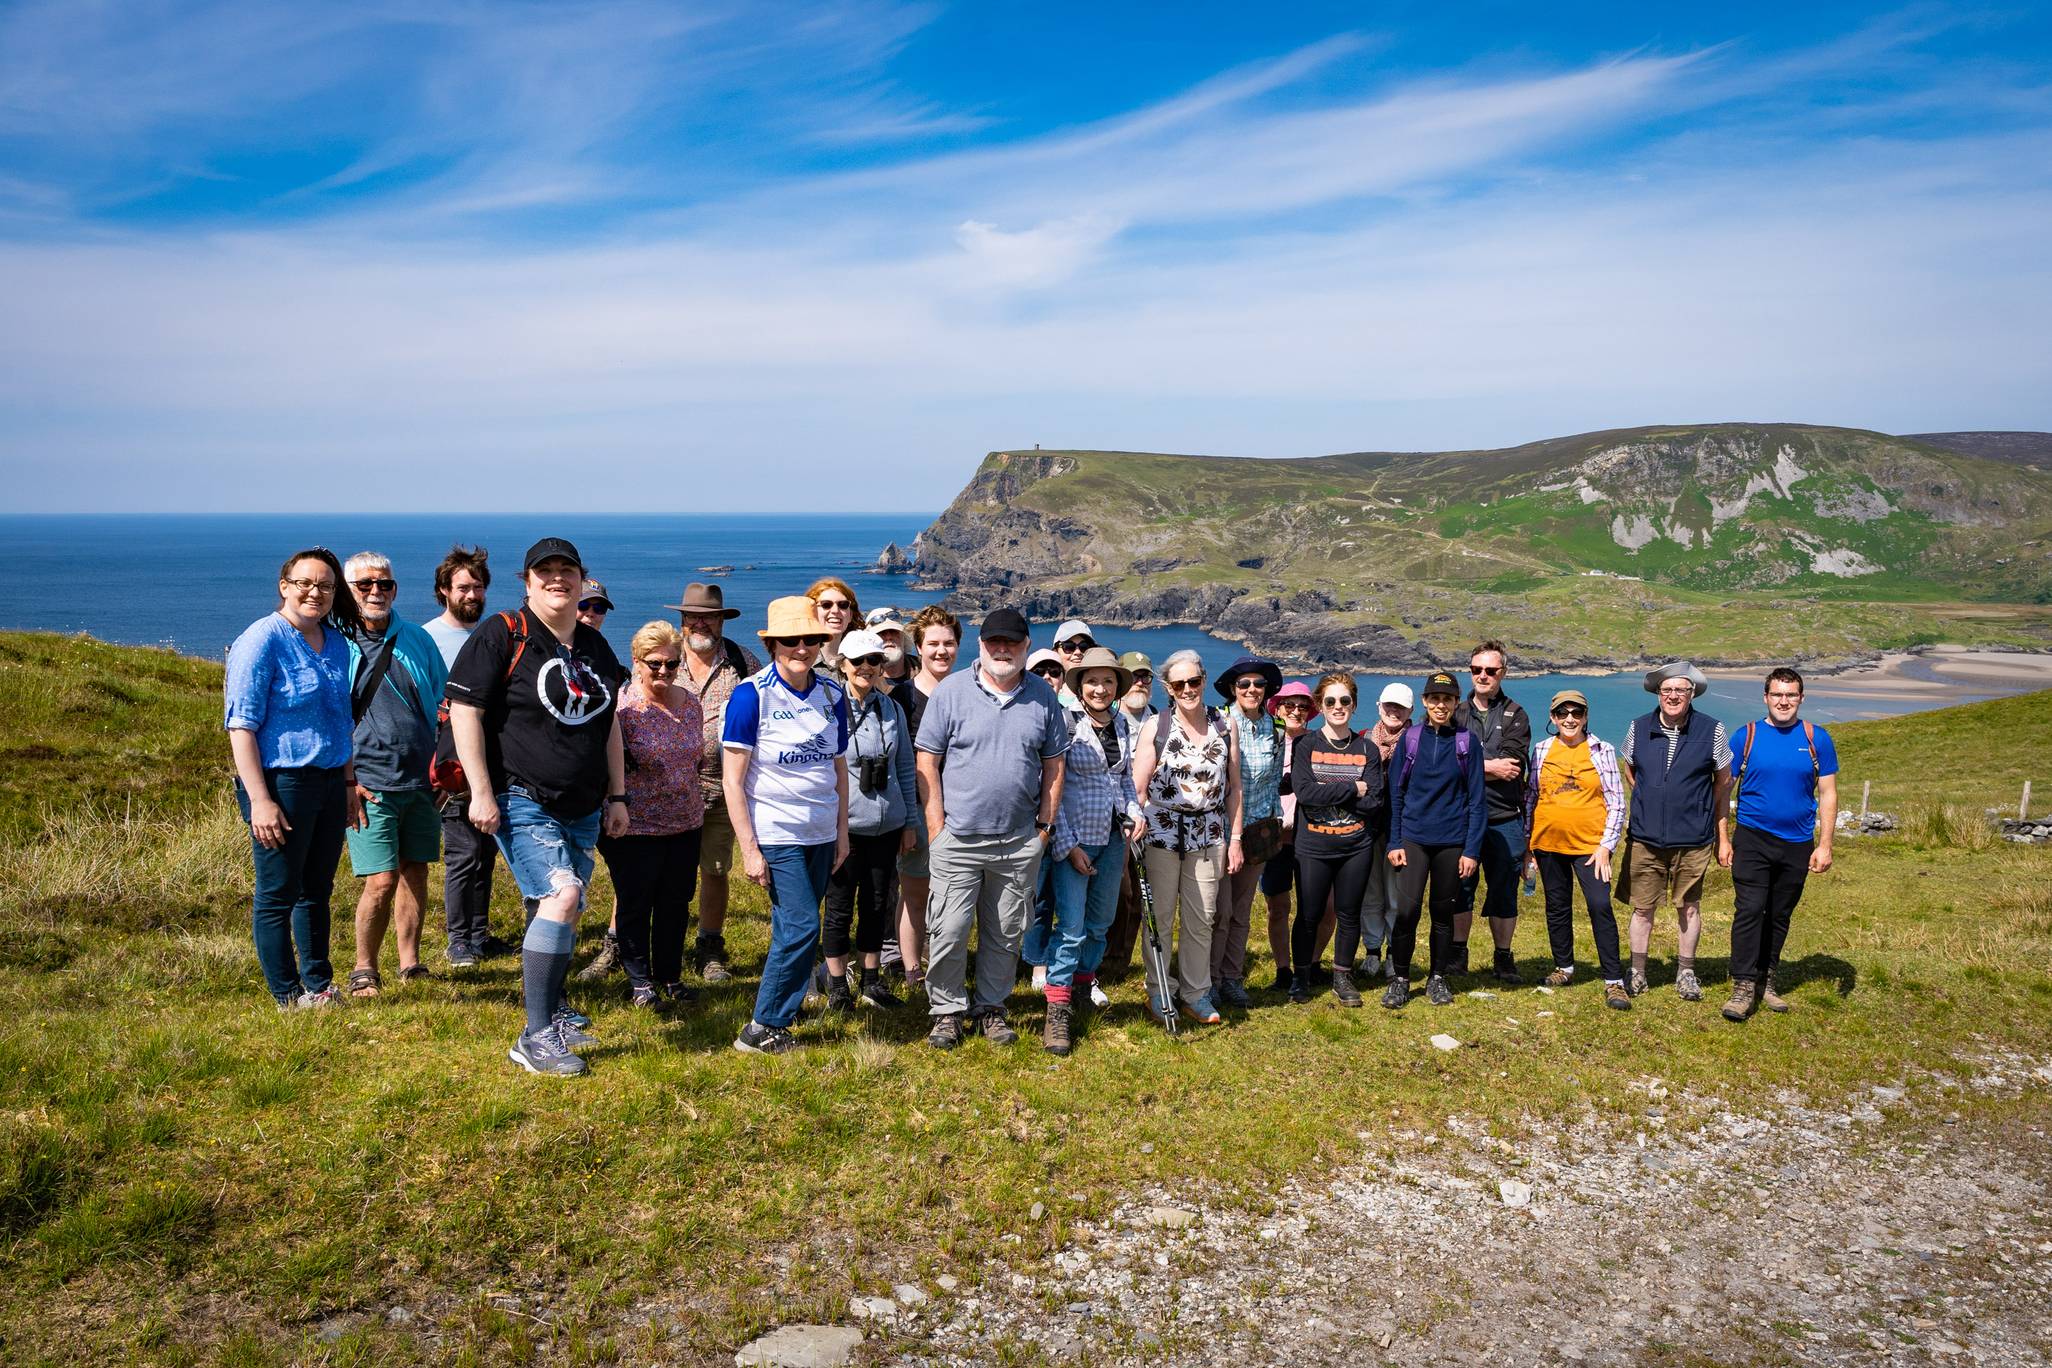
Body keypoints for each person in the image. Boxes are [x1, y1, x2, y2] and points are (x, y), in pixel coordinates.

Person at [446, 537, 629, 1077]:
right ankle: (535, 1036)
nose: (556, 579)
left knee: (550, 905)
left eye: (566, 571)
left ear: (581, 579)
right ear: (527, 583)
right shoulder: (504, 633)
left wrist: (617, 795)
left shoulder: (594, 647)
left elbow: (609, 724)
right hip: (522, 795)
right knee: (562, 894)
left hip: (584, 803)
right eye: (544, 571)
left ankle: (553, 1007)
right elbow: (465, 711)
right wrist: (481, 791)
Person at [915, 607, 1068, 1050]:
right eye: (994, 642)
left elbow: (1054, 764)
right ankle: (946, 1011)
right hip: (958, 839)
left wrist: (1044, 828)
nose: (1003, 650)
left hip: (1019, 839)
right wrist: (936, 827)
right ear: (981, 645)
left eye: (1012, 643)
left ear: (1025, 646)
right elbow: (928, 760)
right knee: (948, 929)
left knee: (1005, 931)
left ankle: (992, 1008)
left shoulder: (1042, 696)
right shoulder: (951, 693)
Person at [225, 548, 364, 1009]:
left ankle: (319, 986)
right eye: (304, 583)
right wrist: (260, 800)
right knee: (278, 892)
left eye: (325, 586)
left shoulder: (337, 643)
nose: (315, 593)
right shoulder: (262, 639)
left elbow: (341, 721)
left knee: (316, 891)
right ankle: (287, 995)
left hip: (328, 782)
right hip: (280, 783)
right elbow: (241, 725)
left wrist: (348, 785)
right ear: (284, 586)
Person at [722, 597, 851, 1054]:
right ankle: (762, 1026)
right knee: (801, 927)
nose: (802, 647)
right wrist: (750, 849)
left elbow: (838, 770)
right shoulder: (751, 695)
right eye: (791, 640)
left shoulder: (833, 695)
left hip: (821, 831)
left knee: (794, 926)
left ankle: (784, 1008)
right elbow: (733, 780)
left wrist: (842, 832)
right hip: (777, 832)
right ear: (773, 642)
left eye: (811, 639)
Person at [339, 551, 448, 997]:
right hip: (368, 783)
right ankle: (364, 967)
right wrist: (346, 780)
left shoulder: (417, 639)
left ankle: (410, 963)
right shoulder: (333, 641)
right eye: (364, 585)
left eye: (384, 584)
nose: (375, 592)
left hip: (421, 781)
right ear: (348, 591)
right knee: (380, 880)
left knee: (414, 872)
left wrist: (443, 770)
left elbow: (447, 704)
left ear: (395, 589)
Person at [596, 621, 706, 1008]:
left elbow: (697, 760)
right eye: (654, 663)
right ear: (636, 662)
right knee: (636, 903)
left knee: (676, 902)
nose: (663, 671)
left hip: (686, 821)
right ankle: (639, 980)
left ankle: (671, 976)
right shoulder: (624, 709)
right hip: (637, 824)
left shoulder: (691, 704)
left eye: (672, 664)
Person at [1131, 650, 1244, 1026]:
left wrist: (1237, 838)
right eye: (1179, 684)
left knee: (1202, 918)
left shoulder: (1225, 725)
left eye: (1194, 681)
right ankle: (1160, 991)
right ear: (1168, 688)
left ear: (1203, 679)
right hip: (1161, 834)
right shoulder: (1156, 726)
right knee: (1159, 918)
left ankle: (1197, 994)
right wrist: (1135, 825)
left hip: (1209, 835)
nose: (1188, 689)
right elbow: (1138, 787)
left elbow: (1234, 788)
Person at [658, 582, 762, 986]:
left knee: (715, 869)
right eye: (692, 616)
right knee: (653, 871)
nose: (700, 623)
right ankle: (621, 943)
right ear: (681, 621)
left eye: (709, 616)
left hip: (721, 789)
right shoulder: (664, 659)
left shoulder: (742, 662)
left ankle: (709, 945)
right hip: (664, 790)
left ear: (721, 620)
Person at [1722, 668, 1838, 1021]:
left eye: (1790, 695)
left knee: (1779, 914)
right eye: (1777, 694)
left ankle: (1765, 980)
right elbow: (1723, 790)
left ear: (1801, 698)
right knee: (1750, 909)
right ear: (1765, 698)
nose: (1783, 701)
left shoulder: (1817, 738)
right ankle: (1742, 986)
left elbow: (1828, 793)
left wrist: (1826, 844)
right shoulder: (1747, 736)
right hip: (1753, 838)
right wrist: (1723, 838)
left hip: (1798, 842)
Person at [1044, 647, 1143, 1054]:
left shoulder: (1119, 725)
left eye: (1107, 681)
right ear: (1079, 686)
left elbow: (1122, 781)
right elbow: (1052, 788)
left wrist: (1135, 811)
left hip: (1112, 839)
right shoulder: (1067, 725)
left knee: (1099, 924)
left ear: (1116, 687)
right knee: (1070, 928)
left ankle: (1083, 986)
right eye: (1091, 681)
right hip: (1075, 840)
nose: (1099, 688)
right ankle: (1057, 1010)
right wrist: (1067, 847)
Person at [1620, 662, 1733, 1001]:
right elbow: (1631, 772)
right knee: (1642, 908)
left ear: (1691, 694)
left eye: (1680, 691)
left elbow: (1723, 781)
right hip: (1645, 838)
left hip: (1694, 839)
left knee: (1690, 907)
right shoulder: (1637, 728)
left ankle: (1686, 972)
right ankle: (1637, 971)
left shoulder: (1712, 730)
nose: (1672, 696)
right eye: (1666, 690)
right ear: (1658, 693)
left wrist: (1708, 821)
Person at [823, 628, 917, 1012]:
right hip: (843, 826)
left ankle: (871, 981)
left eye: (874, 660)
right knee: (840, 906)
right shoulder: (829, 706)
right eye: (858, 661)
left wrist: (909, 821)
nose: (866, 667)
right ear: (842, 665)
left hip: (886, 825)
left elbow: (906, 768)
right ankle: (836, 985)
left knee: (877, 905)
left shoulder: (891, 708)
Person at [1523, 689, 1630, 1010]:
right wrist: (1528, 847)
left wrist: (1606, 847)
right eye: (1562, 713)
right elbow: (1531, 798)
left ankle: (1614, 981)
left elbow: (1616, 802)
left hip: (1590, 847)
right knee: (1557, 907)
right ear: (1553, 718)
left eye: (1577, 713)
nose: (1570, 719)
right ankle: (1564, 967)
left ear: (1585, 716)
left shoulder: (1602, 749)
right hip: (1547, 845)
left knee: (1599, 906)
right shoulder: (1541, 749)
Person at [1385, 671, 1486, 1008]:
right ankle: (1400, 979)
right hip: (1413, 839)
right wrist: (1394, 842)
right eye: (1434, 699)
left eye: (1448, 699)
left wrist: (1471, 850)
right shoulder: (1411, 740)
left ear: (1457, 702)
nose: (1441, 705)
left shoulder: (1467, 742)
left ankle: (1437, 978)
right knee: (1407, 912)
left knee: (1443, 913)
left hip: (1451, 842)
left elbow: (1476, 800)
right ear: (1425, 702)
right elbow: (1395, 795)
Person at [426, 545, 506, 970]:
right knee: (462, 852)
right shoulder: (426, 638)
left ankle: (479, 933)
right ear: (444, 591)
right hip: (450, 759)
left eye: (477, 587)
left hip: (490, 753)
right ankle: (458, 940)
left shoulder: (492, 636)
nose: (472, 595)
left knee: (486, 849)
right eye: (463, 588)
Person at [1287, 672, 1385, 1006]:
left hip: (1355, 846)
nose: (1338, 707)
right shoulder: (1306, 745)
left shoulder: (1367, 749)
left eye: (1344, 701)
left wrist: (1329, 793)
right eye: (1330, 701)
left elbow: (1374, 801)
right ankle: (1300, 978)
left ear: (1354, 705)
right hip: (1313, 846)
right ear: (1320, 705)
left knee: (1348, 914)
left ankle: (1342, 977)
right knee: (1308, 914)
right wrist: (1351, 787)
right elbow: (1305, 792)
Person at [1454, 641, 1532, 984]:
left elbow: (1513, 766)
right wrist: (1489, 765)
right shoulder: (1455, 713)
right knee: (1460, 888)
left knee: (1503, 890)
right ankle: (1458, 954)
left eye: (1490, 670)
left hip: (1504, 818)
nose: (1482, 676)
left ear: (1503, 672)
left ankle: (1503, 956)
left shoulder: (1517, 714)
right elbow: (1444, 762)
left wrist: (1468, 764)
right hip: (1461, 818)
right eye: (1476, 670)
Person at [893, 605, 960, 990]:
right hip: (917, 809)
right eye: (932, 643)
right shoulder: (901, 697)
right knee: (916, 892)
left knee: (952, 894)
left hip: (962, 808)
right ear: (918, 647)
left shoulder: (969, 689)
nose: (941, 651)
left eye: (948, 643)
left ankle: (943, 964)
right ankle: (912, 970)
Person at [1212, 656, 1284, 1009]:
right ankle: (1207, 980)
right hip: (1219, 831)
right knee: (1217, 911)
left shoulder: (1278, 727)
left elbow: (1272, 784)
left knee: (1241, 910)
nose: (1252, 690)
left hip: (1256, 832)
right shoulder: (1219, 724)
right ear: (1232, 690)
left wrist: (1273, 824)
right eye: (1244, 685)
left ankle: (1231, 978)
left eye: (1258, 684)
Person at [1260, 680, 1318, 992]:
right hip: (1274, 838)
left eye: (1303, 706)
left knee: (1316, 906)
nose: (1296, 711)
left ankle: (1308, 965)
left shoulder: (1318, 742)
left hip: (1310, 837)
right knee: (1278, 906)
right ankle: (1284, 969)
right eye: (1289, 705)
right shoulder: (1268, 741)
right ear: (1278, 708)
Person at [1357, 682, 1414, 980]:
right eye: (1389, 705)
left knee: (1395, 895)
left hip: (1401, 829)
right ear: (1379, 705)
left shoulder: (1416, 741)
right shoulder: (1364, 740)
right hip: (1368, 827)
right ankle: (1372, 951)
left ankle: (1394, 953)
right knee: (1371, 892)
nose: (1394, 711)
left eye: (1400, 707)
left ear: (1410, 711)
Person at [805, 577, 861, 680]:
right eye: (826, 605)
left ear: (850, 615)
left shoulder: (862, 662)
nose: (835, 610)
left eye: (843, 605)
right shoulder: (802, 662)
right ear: (812, 613)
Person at [864, 607, 914, 689]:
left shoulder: (925, 671)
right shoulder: (862, 680)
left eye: (893, 631)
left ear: (903, 638)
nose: (888, 637)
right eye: (881, 633)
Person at [1117, 651, 1157, 730]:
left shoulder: (1158, 718)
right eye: (1133, 677)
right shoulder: (1106, 717)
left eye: (1145, 677)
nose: (1140, 683)